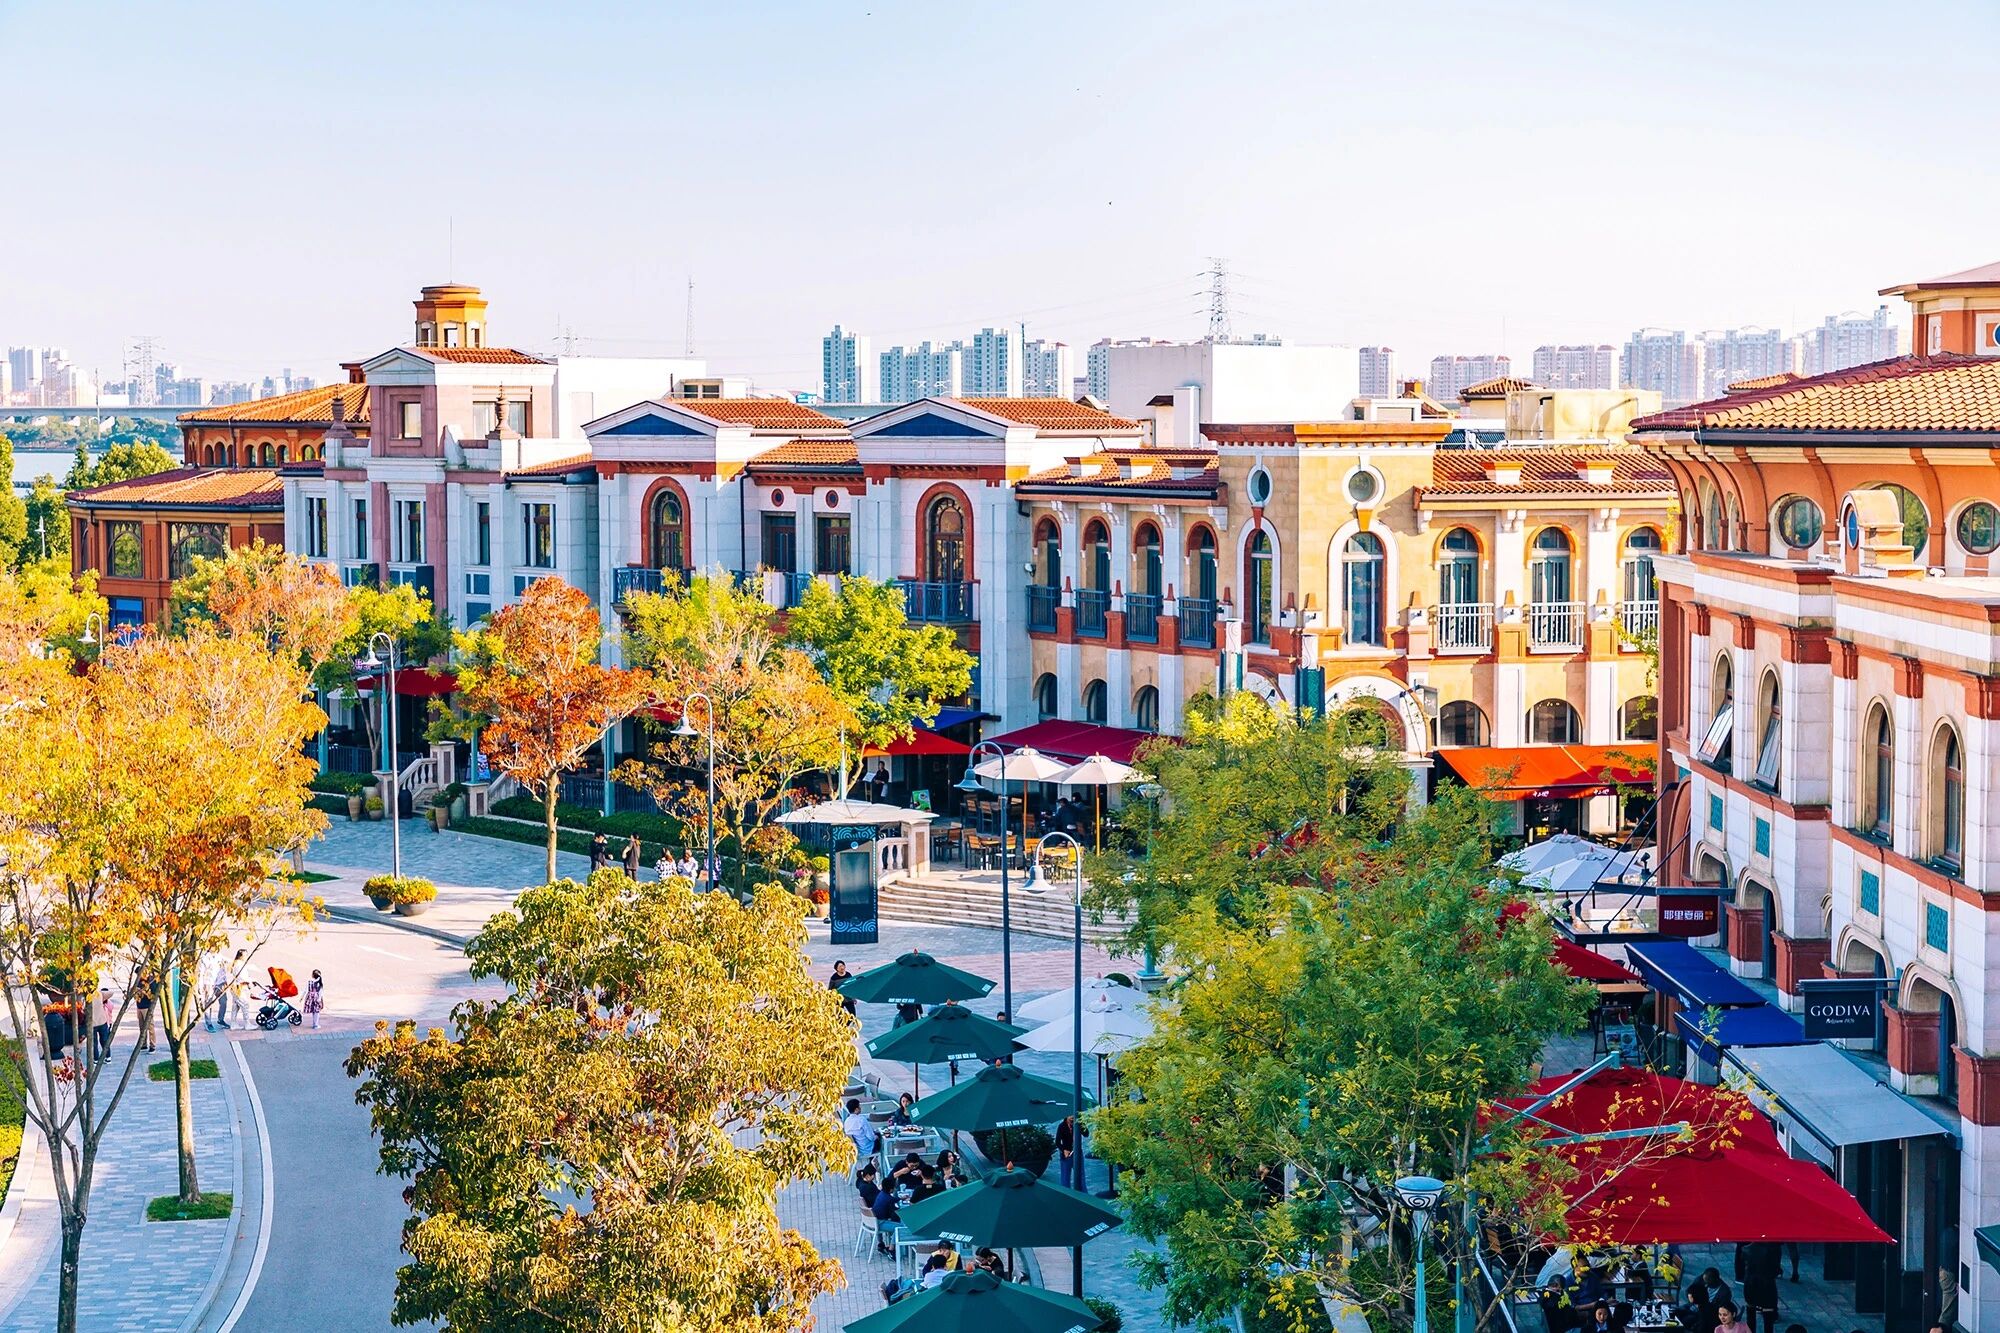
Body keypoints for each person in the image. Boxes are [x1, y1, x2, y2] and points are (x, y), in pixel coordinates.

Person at [1740, 1242, 1781, 1333]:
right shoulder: (1771, 1250)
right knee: (1768, 1316)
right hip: (1767, 1285)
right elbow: (1776, 1270)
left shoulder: (1745, 1249)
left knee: (1750, 1313)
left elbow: (1743, 1266)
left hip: (1750, 1284)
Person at [842, 1098, 878, 1164]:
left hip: (855, 1150)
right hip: (867, 1149)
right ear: (856, 1109)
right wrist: (876, 1137)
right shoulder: (862, 1120)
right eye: (859, 1107)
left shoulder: (846, 1121)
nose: (860, 1108)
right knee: (880, 1139)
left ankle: (870, 1164)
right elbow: (871, 1137)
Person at [870, 1179, 902, 1253]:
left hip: (874, 1220)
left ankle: (883, 1243)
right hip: (880, 1223)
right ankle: (891, 1249)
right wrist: (901, 1198)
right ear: (891, 1189)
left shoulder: (881, 1194)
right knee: (899, 1228)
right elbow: (894, 1201)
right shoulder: (888, 1198)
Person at [1055, 1114, 1084, 1190]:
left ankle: (1083, 1195)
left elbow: (1086, 1134)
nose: (1072, 1117)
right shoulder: (1062, 1126)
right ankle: (1066, 1194)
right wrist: (1064, 1150)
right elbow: (1057, 1142)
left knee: (1081, 1177)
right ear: (1066, 1116)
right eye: (1070, 1116)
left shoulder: (1078, 1123)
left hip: (1077, 1153)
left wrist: (1081, 1125)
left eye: (1073, 1116)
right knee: (1065, 1179)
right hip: (1066, 1155)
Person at [133, 971, 156, 1052]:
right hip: (139, 1006)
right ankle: (143, 1044)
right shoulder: (138, 981)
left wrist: (144, 992)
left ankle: (152, 1045)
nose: (139, 975)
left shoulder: (151, 981)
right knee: (142, 1026)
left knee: (150, 1026)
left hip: (147, 1006)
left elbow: (153, 995)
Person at [92, 986, 115, 1061]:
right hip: (102, 1022)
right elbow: (111, 993)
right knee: (104, 1040)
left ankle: (96, 1059)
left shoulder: (86, 997)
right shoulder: (99, 995)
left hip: (92, 1023)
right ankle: (108, 1057)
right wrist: (100, 992)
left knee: (94, 1043)